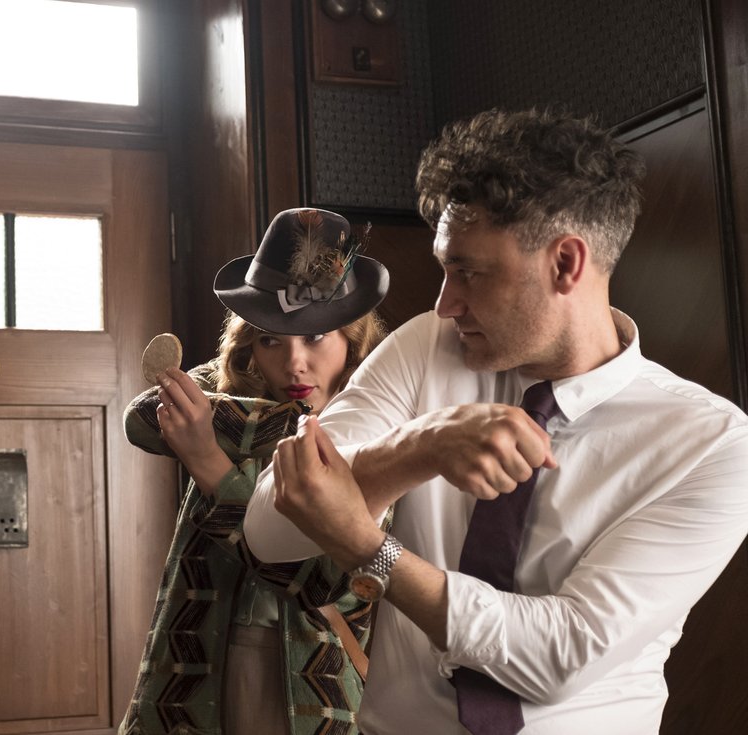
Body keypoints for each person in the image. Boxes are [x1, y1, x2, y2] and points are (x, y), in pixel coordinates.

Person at [243, 108, 748, 734]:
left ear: (566, 264)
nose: (444, 303)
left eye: (468, 273)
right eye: (444, 269)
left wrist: (369, 550)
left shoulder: (713, 445)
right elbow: (268, 531)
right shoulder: (426, 347)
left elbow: (557, 656)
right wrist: (416, 450)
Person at [119, 208, 390, 735]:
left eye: (316, 337)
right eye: (271, 340)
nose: (294, 363)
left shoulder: (376, 432)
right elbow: (141, 418)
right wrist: (293, 425)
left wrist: (209, 460)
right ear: (249, 347)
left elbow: (316, 583)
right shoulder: (234, 391)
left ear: (352, 343)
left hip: (311, 679)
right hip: (197, 663)